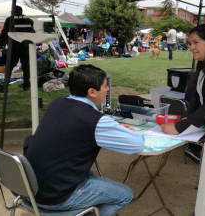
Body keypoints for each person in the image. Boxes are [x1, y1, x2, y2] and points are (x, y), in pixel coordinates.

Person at [25, 64, 144, 215]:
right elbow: (137, 144)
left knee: (91, 176)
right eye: (105, 86)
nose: (108, 89)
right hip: (56, 197)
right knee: (125, 194)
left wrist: (112, 127)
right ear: (92, 92)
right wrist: (116, 129)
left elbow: (78, 126)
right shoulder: (94, 120)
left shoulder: (57, 103)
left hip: (30, 188)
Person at [160, 24, 205, 161]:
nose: (191, 47)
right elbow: (197, 97)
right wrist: (188, 117)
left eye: (196, 43)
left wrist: (179, 127)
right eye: (190, 43)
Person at [0, 6, 32, 91]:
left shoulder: (10, 19)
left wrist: (0, 46)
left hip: (13, 46)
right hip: (25, 46)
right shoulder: (28, 20)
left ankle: (5, 86)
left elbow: (4, 33)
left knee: (10, 66)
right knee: (26, 66)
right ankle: (26, 86)